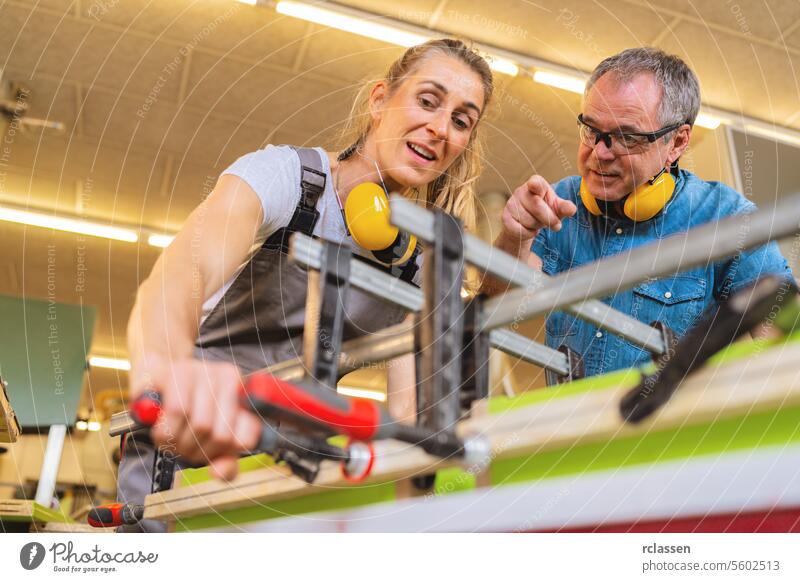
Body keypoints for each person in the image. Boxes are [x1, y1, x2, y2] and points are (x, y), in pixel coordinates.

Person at [119, 39, 494, 531]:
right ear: (379, 99)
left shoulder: (417, 263)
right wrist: (166, 371)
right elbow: (181, 277)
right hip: (185, 457)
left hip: (285, 482)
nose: (440, 128)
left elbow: (410, 409)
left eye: (462, 120)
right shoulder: (285, 179)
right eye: (428, 100)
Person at [491, 47, 793, 378]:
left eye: (626, 137)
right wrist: (514, 237)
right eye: (591, 130)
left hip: (673, 426)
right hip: (573, 423)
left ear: (677, 143)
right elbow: (492, 310)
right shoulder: (559, 201)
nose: (599, 153)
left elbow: (783, 349)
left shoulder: (726, 219)